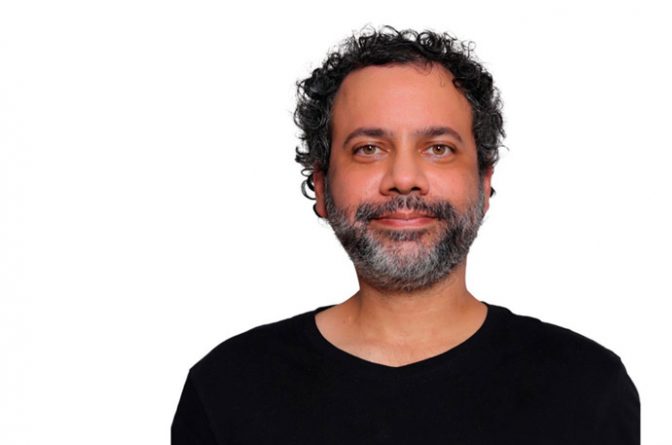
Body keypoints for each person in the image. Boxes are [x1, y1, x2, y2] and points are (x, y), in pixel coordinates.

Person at [172, 26, 639, 444]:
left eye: (438, 148)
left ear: (484, 183)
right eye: (368, 149)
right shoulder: (225, 390)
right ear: (322, 186)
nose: (404, 178)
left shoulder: (588, 388)